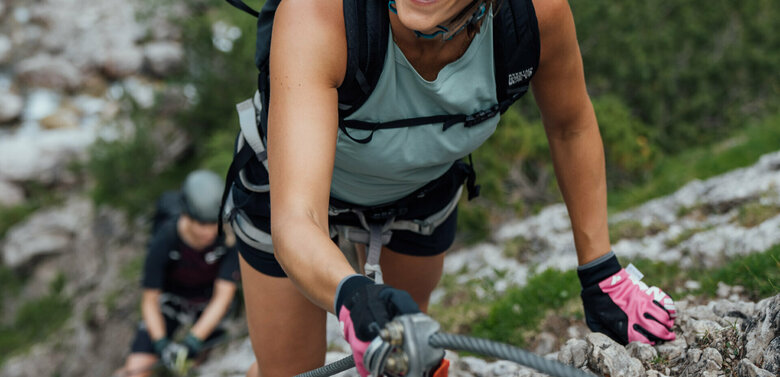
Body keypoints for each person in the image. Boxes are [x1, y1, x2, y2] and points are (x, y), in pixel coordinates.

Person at [224, 0, 677, 376]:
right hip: (289, 186)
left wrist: (602, 272)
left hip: (421, 187)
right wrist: (353, 294)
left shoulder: (535, 15)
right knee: (287, 370)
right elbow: (297, 217)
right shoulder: (317, 15)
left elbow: (570, 126)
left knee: (403, 348)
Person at [116, 170, 240, 377]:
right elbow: (150, 300)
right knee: (137, 368)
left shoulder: (228, 238)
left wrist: (193, 340)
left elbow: (224, 296)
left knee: (197, 362)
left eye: (214, 223)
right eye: (202, 223)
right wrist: (161, 343)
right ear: (186, 215)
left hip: (208, 302)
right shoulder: (165, 239)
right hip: (171, 300)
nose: (209, 231)